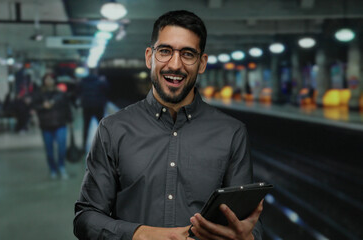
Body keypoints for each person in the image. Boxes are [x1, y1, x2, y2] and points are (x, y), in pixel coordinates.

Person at [74, 10, 263, 240]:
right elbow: (86, 218)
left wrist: (249, 238)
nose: (175, 65)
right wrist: (142, 235)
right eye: (165, 51)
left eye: (188, 54)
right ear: (148, 57)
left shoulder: (232, 133)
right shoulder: (112, 130)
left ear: (202, 63)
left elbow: (248, 224)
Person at [33, 73, 72, 179]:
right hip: (46, 125)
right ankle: (53, 169)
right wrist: (43, 106)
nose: (49, 81)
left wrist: (70, 120)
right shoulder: (39, 94)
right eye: (47, 79)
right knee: (49, 150)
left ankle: (61, 166)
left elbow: (67, 107)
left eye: (51, 79)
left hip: (60, 123)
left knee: (61, 148)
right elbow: (34, 106)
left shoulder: (60, 94)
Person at [76, 68, 109, 150]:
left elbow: (77, 91)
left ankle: (84, 146)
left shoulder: (83, 81)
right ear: (95, 72)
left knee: (86, 127)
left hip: (87, 106)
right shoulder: (100, 81)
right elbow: (108, 90)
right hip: (98, 106)